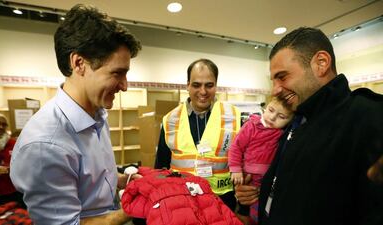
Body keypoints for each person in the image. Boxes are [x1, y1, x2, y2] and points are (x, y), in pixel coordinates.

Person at [236, 27, 383, 225]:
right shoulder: (297, 120)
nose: (275, 90)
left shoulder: (368, 117)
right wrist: (256, 191)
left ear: (321, 63)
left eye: (282, 76)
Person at [10, 4, 141, 224]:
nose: (125, 86)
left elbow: (88, 178)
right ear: (79, 63)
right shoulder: (46, 144)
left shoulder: (97, 116)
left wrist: (121, 180)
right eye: (117, 73)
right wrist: (134, 208)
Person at [155, 58, 241, 212]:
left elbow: (244, 165)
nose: (203, 92)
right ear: (187, 85)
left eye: (209, 85)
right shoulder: (170, 120)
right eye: (196, 85)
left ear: (216, 85)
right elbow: (160, 167)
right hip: (181, 203)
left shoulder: (233, 117)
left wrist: (243, 209)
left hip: (222, 203)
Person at [228, 97, 293, 225]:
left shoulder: (282, 133)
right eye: (270, 110)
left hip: (266, 181)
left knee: (258, 207)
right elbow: (236, 147)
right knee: (246, 205)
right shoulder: (251, 125)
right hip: (247, 176)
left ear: (290, 121)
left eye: (281, 116)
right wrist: (235, 169)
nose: (272, 118)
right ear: (265, 107)